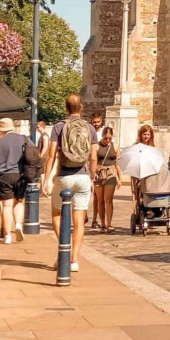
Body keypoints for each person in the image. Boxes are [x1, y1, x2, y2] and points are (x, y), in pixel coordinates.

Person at [43, 94, 97, 272]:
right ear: (81, 107)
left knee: (57, 215)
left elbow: (51, 154)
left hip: (64, 176)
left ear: (66, 108)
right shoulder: (90, 128)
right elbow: (94, 157)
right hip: (83, 176)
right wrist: (92, 177)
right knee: (79, 220)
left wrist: (46, 179)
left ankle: (63, 249)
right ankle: (73, 258)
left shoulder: (59, 127)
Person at [0, 117, 27, 244]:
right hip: (20, 175)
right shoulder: (23, 139)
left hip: (3, 176)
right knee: (19, 202)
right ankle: (18, 225)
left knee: (7, 205)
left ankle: (8, 235)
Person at [94, 125, 120, 233]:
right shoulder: (96, 146)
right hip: (99, 173)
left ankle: (109, 224)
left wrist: (120, 177)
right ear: (102, 136)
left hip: (111, 173)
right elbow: (93, 160)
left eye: (110, 138)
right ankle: (102, 224)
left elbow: (117, 162)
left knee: (108, 199)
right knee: (100, 200)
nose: (107, 140)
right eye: (106, 138)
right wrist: (94, 172)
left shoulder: (115, 146)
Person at [89, 112, 105, 228]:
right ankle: (94, 219)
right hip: (92, 164)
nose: (96, 124)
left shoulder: (103, 133)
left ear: (101, 121)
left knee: (102, 197)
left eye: (98, 122)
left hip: (101, 165)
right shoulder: (89, 132)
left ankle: (102, 220)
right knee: (94, 196)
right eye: (94, 122)